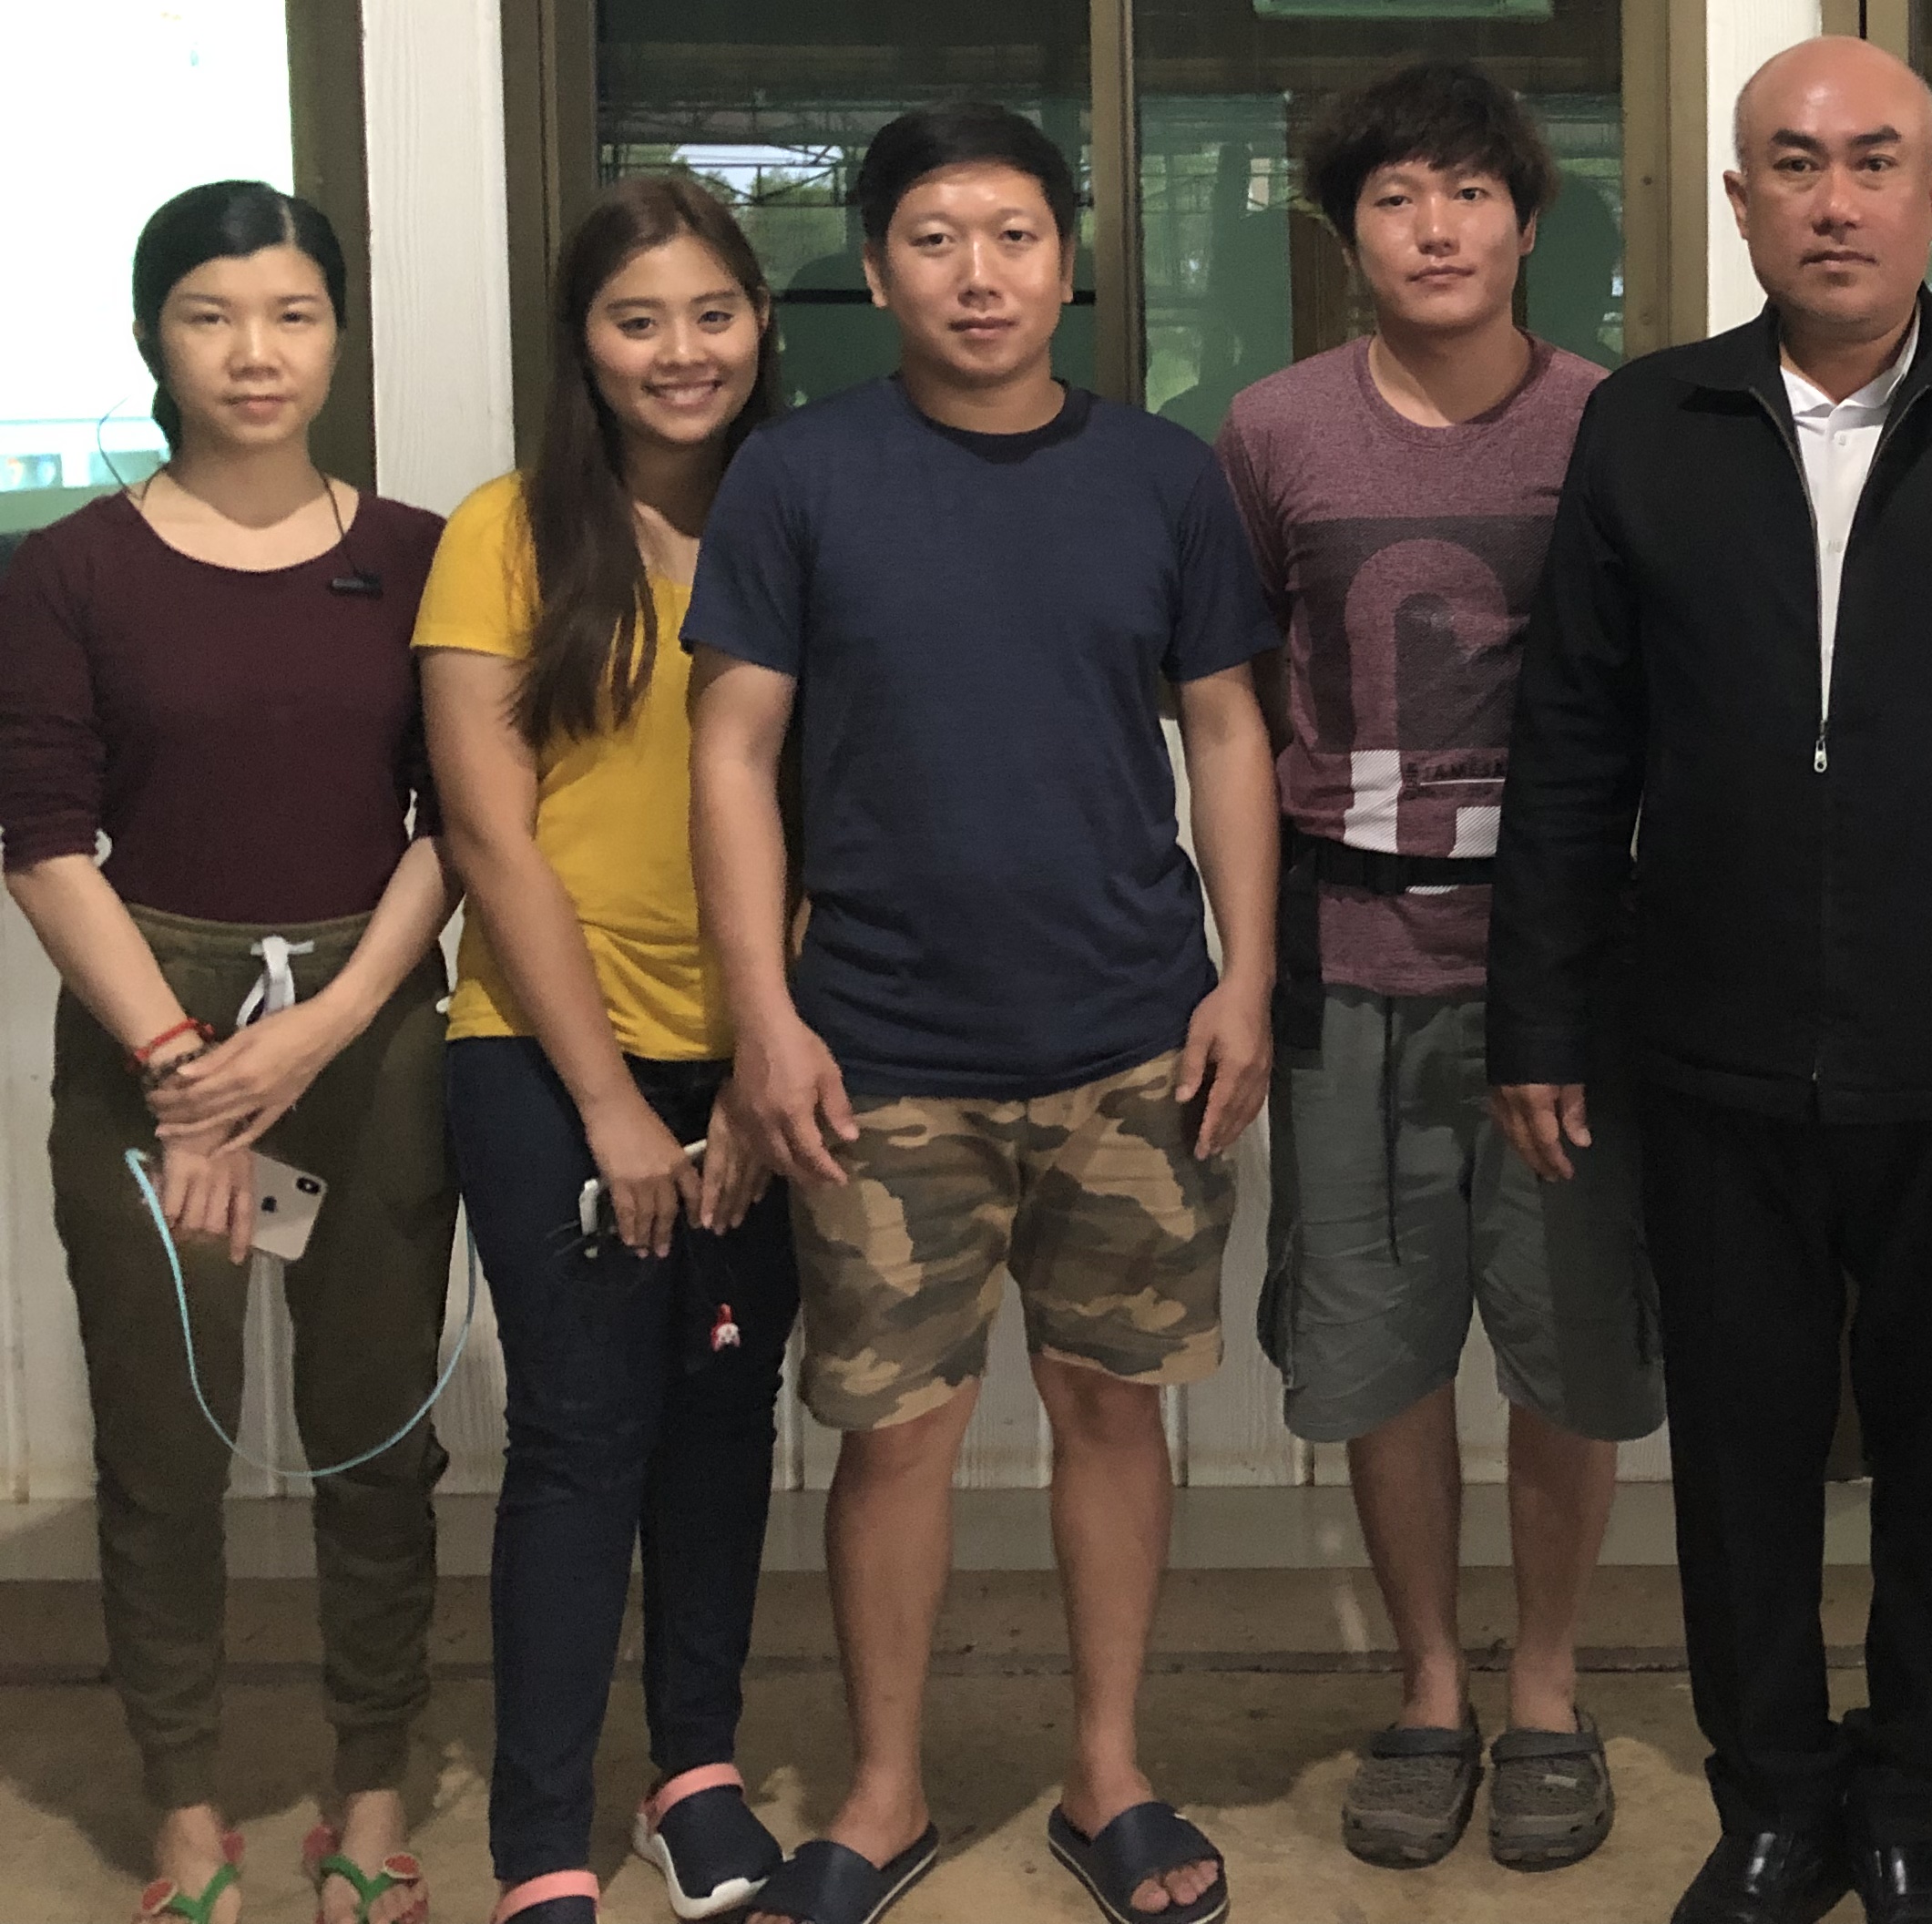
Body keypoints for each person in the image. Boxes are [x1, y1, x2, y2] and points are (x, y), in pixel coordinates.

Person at [1490, 35, 1932, 1924]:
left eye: (1875, 161)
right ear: (1740, 202)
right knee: (1740, 1455)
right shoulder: (1650, 423)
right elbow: (1571, 744)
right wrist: (1536, 1013)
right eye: (1794, 165)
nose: (1835, 200)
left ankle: (1913, 1797)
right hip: (1708, 1043)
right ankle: (1772, 1800)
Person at [683, 103, 1283, 1924]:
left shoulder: (1162, 476)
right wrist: (764, 1018)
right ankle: (883, 1792)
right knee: (895, 1435)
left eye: (1015, 235)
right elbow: (732, 752)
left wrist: (1248, 973)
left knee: (1113, 1412)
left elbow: (1229, 731)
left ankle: (1110, 1772)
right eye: (934, 239)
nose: (978, 273)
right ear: (876, 273)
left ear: (1066, 261)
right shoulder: (799, 478)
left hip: (1132, 1037)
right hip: (879, 1053)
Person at [1217, 62, 1660, 1875]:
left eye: (1471, 193)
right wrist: (1244, 960)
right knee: (1378, 1346)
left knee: (1567, 1342)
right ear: (1348, 234)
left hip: (1568, 970)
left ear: (1528, 221)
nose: (1436, 229)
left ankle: (1546, 1684)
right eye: (1396, 197)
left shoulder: (1615, 425)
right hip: (1346, 954)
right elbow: (1237, 698)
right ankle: (1425, 1683)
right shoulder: (1273, 433)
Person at [0, 183, 457, 1924]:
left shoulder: (417, 554)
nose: (253, 352)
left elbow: (463, 821)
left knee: (374, 1438)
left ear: (338, 332)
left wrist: (323, 1028)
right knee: (161, 1447)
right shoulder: (71, 570)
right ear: (152, 337)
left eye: (291, 312)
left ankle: (371, 1784)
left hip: (370, 1023)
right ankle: (186, 1809)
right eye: (210, 315)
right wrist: (189, 1068)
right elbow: (44, 838)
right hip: (152, 1032)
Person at [417, 178, 800, 1924]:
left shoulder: (807, 513)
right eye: (638, 320)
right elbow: (487, 840)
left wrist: (759, 1060)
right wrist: (610, 1108)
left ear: (763, 323)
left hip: (761, 1061)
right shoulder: (505, 532)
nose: (680, 351)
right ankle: (540, 1839)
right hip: (544, 1057)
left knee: (724, 1413)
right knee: (581, 1435)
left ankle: (695, 1772)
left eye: (712, 313)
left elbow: (844, 808)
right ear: (583, 343)